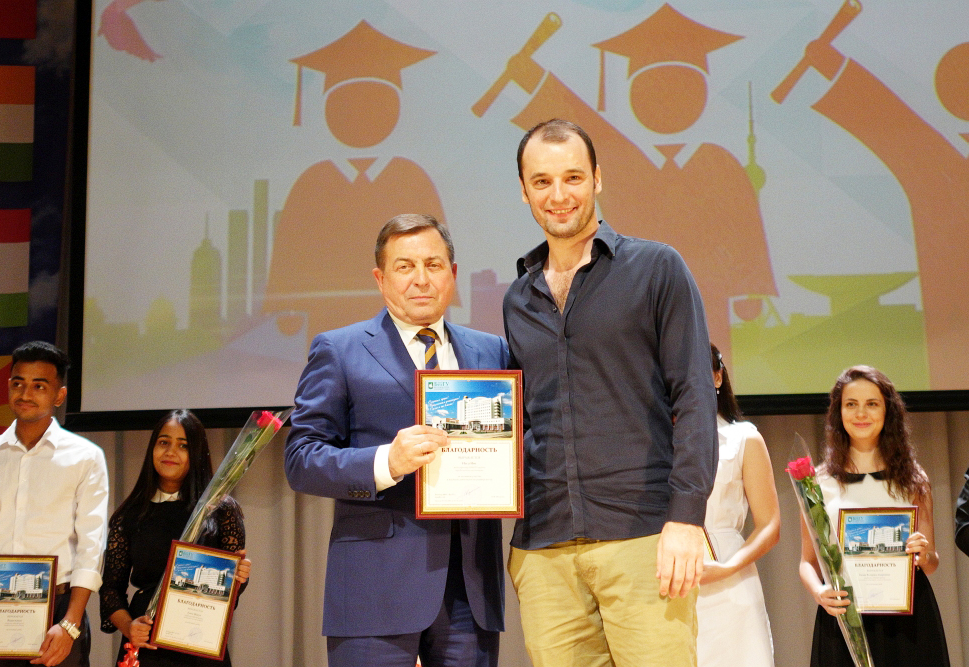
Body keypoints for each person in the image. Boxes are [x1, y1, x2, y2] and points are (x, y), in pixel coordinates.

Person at [502, 119, 718, 667]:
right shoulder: (518, 299)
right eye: (542, 181)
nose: (558, 194)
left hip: (644, 537)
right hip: (544, 546)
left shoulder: (656, 268)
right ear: (524, 190)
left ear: (597, 178)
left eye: (573, 177)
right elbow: (523, 421)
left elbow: (695, 396)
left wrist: (687, 518)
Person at [284, 214, 509, 667]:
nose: (421, 279)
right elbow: (301, 458)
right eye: (405, 267)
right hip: (375, 589)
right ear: (380, 279)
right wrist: (387, 462)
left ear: (453, 274)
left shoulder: (492, 351)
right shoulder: (340, 349)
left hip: (470, 594)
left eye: (433, 265)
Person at [0, 341, 110, 667]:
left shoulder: (86, 457)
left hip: (59, 612)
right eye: (18, 383)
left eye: (39, 386)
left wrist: (71, 623)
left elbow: (91, 545)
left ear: (59, 395)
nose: (26, 393)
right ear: (8, 387)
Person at [799, 365, 950, 666]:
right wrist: (820, 592)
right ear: (838, 413)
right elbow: (807, 561)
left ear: (887, 411)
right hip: (844, 617)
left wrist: (924, 555)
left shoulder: (913, 479)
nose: (861, 414)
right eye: (851, 404)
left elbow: (931, 562)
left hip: (907, 622)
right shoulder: (817, 482)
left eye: (872, 404)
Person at [99, 409, 251, 666]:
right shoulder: (129, 514)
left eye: (183, 446)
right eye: (163, 442)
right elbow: (110, 589)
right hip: (147, 644)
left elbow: (230, 592)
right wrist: (129, 627)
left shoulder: (220, 509)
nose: (171, 452)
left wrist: (240, 575)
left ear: (197, 453)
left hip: (200, 643)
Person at [697, 344, 779, 667]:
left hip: (729, 584)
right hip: (666, 583)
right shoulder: (652, 442)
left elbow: (770, 525)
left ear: (718, 377)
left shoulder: (744, 438)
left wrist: (728, 567)